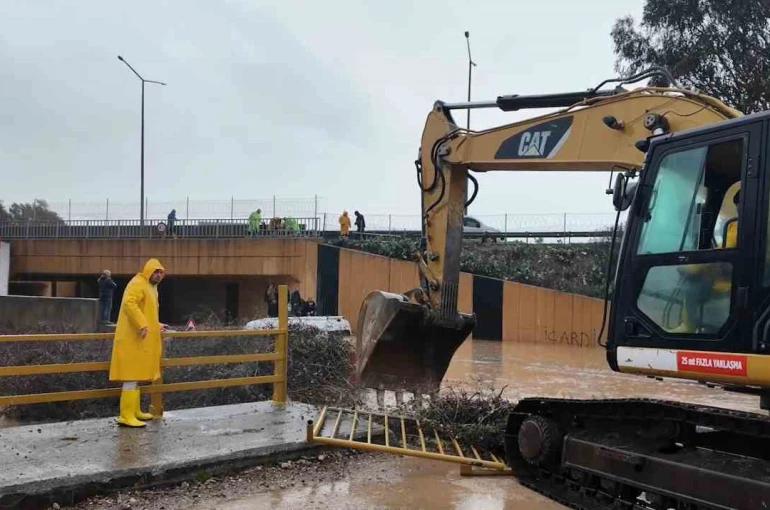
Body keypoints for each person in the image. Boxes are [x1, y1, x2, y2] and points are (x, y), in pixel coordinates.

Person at [108, 258, 168, 428]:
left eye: (160, 272)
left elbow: (146, 312)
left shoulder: (150, 288)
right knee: (131, 375)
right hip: (131, 338)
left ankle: (134, 412)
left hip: (138, 339)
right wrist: (142, 324)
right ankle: (126, 415)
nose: (158, 274)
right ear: (148, 270)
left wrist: (156, 325)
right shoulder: (138, 283)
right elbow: (129, 304)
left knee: (135, 375)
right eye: (155, 271)